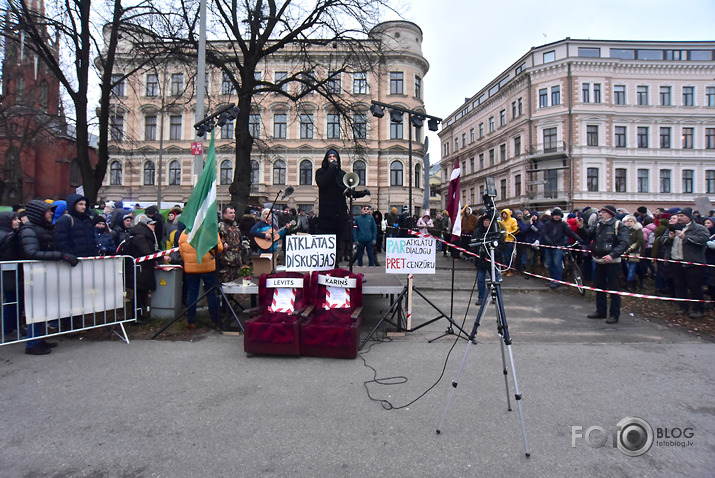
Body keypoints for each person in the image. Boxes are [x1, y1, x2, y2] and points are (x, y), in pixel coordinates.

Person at [18, 200, 79, 355]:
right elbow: (31, 252)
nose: (51, 213)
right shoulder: (29, 230)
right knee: (36, 308)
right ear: (39, 213)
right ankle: (32, 343)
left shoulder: (43, 228)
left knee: (42, 308)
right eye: (48, 211)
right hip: (33, 276)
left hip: (43, 275)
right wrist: (61, 256)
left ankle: (38, 338)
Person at [315, 148, 369, 264]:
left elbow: (348, 192)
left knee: (336, 247)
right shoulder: (321, 172)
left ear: (338, 159)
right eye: (330, 157)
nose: (332, 159)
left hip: (339, 217)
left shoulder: (342, 175)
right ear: (326, 159)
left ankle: (335, 268)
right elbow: (322, 183)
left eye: (334, 157)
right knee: (325, 247)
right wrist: (330, 169)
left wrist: (361, 193)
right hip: (326, 217)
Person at [579, 205, 629, 324]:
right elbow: (587, 235)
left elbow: (624, 243)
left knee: (613, 288)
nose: (600, 214)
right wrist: (581, 227)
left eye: (603, 212)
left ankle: (614, 314)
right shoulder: (598, 224)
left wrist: (612, 255)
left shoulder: (619, 225)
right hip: (599, 260)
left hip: (612, 262)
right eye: (600, 212)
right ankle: (600, 311)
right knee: (600, 286)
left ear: (610, 214)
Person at [660, 207, 708, 318]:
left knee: (694, 286)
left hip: (692, 263)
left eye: (682, 216)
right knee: (680, 285)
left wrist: (685, 237)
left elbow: (703, 240)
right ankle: (683, 307)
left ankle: (698, 309)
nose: (679, 218)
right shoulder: (672, 228)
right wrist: (670, 237)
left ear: (689, 217)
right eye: (678, 216)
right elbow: (662, 241)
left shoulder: (699, 228)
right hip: (676, 261)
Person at [178, 230, 224, 329]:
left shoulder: (184, 233)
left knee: (192, 294)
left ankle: (191, 321)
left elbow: (181, 250)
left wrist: (188, 260)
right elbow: (219, 248)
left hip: (191, 268)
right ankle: (215, 320)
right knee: (211, 293)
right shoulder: (210, 230)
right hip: (207, 266)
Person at [540, 207, 582, 288]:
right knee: (549, 263)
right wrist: (549, 242)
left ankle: (558, 281)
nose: (557, 217)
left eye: (558, 215)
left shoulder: (563, 224)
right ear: (552, 215)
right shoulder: (548, 224)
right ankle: (553, 279)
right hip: (548, 246)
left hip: (559, 246)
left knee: (557, 263)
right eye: (555, 215)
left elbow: (571, 232)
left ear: (561, 216)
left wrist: (580, 240)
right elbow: (544, 234)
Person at [128, 215, 159, 324]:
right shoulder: (140, 237)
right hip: (139, 269)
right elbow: (146, 252)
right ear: (146, 225)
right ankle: (136, 317)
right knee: (139, 293)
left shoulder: (145, 236)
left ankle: (141, 315)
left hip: (144, 268)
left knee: (143, 292)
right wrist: (160, 256)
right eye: (151, 224)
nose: (154, 226)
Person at [472, 214, 503, 305]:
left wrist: (494, 251)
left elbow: (501, 245)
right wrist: (478, 252)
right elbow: (473, 244)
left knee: (495, 279)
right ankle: (481, 298)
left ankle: (496, 297)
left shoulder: (496, 232)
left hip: (492, 260)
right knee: (481, 280)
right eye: (484, 221)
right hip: (481, 260)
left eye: (488, 221)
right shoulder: (478, 232)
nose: (486, 222)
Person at [55, 193, 96, 258]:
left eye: (85, 205)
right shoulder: (65, 220)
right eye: (80, 204)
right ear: (73, 205)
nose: (84, 207)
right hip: (73, 259)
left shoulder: (88, 219)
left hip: (89, 259)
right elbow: (62, 242)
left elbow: (93, 239)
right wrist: (69, 256)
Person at [0, 211, 21, 338]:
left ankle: (12, 328)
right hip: (9, 274)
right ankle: (8, 329)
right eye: (14, 219)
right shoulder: (7, 236)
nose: (18, 221)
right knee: (11, 301)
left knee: (12, 301)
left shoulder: (9, 234)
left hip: (10, 274)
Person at [218, 205, 243, 283]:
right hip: (226, 260)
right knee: (225, 283)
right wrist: (223, 243)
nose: (233, 215)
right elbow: (214, 238)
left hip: (236, 260)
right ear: (224, 214)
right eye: (230, 213)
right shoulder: (220, 226)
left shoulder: (235, 227)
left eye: (234, 213)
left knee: (235, 283)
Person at [622, 215, 644, 292]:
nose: (629, 223)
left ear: (634, 222)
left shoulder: (638, 230)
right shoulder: (624, 230)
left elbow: (640, 240)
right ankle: (633, 283)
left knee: (632, 268)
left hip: (635, 252)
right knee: (628, 268)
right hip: (625, 252)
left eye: (631, 221)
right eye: (628, 221)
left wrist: (631, 248)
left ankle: (630, 283)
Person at [499, 208, 519, 275]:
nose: (504, 215)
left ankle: (510, 270)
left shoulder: (513, 220)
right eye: (503, 214)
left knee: (509, 256)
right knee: (503, 256)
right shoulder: (502, 222)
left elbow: (516, 230)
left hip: (509, 241)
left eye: (505, 214)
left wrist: (509, 233)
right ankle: (505, 269)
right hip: (503, 241)